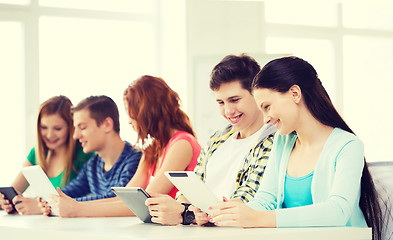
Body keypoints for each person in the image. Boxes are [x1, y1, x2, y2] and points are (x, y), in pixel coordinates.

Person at [209, 56, 382, 240]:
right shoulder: (282, 142)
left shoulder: (348, 146)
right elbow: (266, 199)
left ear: (294, 94)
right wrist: (237, 211)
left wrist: (257, 217)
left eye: (267, 107)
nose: (266, 119)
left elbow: (338, 211)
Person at [39, 76, 201, 217]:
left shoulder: (181, 144)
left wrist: (78, 209)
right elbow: (126, 199)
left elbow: (145, 202)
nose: (129, 121)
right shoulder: (152, 150)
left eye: (131, 112)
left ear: (147, 111)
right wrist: (74, 206)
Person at [145, 54, 276, 225]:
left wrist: (185, 213)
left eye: (234, 100)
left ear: (256, 94)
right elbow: (188, 191)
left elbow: (246, 200)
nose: (228, 111)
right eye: (221, 102)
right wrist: (183, 209)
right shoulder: (217, 139)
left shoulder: (272, 140)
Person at [39, 95, 142, 216]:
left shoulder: (135, 159)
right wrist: (50, 202)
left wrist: (68, 204)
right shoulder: (92, 165)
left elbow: (117, 200)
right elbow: (70, 191)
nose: (75, 136)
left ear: (107, 124)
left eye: (82, 127)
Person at [0, 96, 94, 215]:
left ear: (71, 127)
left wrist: (40, 207)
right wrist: (4, 202)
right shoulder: (37, 153)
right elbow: (13, 191)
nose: (49, 135)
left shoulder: (85, 154)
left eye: (57, 129)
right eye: (44, 127)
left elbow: (89, 201)